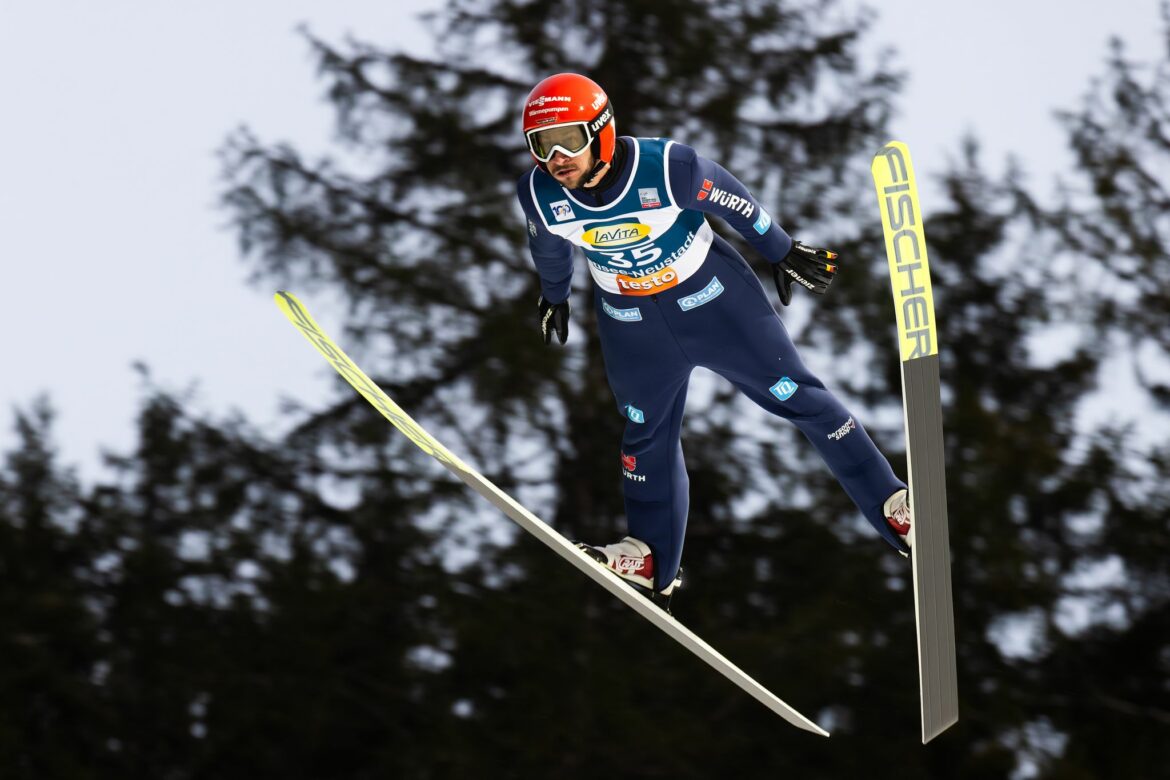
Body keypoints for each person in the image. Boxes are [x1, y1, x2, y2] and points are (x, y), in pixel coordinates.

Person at [516, 72, 912, 608]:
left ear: (602, 131)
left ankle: (893, 504)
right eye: (543, 145)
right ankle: (651, 556)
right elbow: (549, 248)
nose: (557, 156)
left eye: (570, 139)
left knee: (798, 396)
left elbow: (734, 202)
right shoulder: (540, 194)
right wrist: (554, 295)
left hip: (713, 302)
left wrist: (781, 250)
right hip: (632, 323)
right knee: (643, 434)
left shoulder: (666, 168)